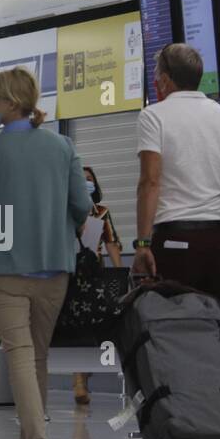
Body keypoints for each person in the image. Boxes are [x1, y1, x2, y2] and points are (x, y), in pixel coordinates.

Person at [0, 67, 93, 439]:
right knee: (37, 354)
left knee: (18, 353)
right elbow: (83, 206)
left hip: (4, 269)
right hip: (54, 268)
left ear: (11, 102)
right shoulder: (63, 147)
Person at [133, 43, 220, 301]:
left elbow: (149, 182)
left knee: (173, 322)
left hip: (175, 239)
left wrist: (142, 244)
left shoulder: (153, 116)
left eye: (157, 74)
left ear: (165, 79)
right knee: (211, 318)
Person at [71, 165, 123, 406]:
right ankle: (79, 379)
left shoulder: (101, 212)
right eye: (82, 180)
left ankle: (83, 374)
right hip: (71, 270)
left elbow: (111, 242)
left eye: (90, 180)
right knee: (77, 325)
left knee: (95, 324)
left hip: (95, 271)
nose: (86, 183)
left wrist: (120, 271)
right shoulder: (67, 208)